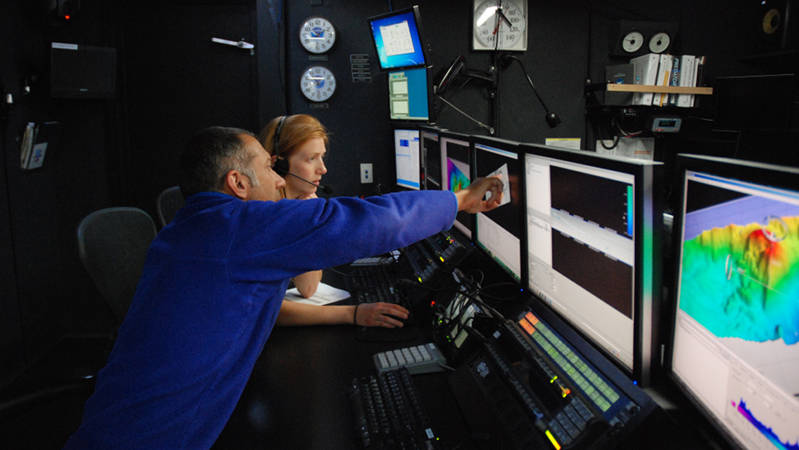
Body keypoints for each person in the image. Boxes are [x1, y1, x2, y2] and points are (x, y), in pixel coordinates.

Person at [64, 126, 503, 449]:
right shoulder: (237, 229)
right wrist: (459, 201)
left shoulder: (193, 230)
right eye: (269, 169)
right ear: (237, 184)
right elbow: (363, 221)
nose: (279, 181)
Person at [258, 114, 407, 328]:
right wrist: (352, 314)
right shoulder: (261, 216)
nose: (323, 169)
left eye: (322, 157)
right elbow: (270, 312)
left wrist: (309, 219)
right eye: (311, 158)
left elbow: (308, 288)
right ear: (279, 164)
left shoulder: (292, 208)